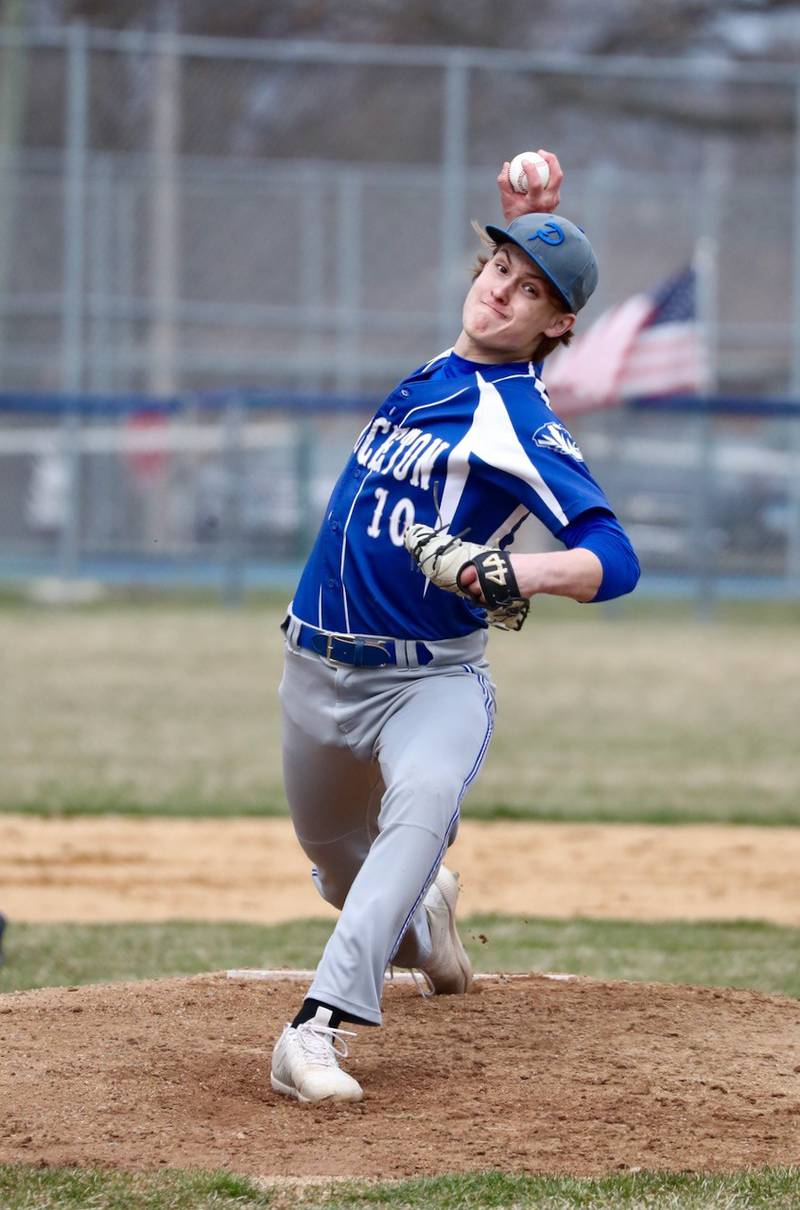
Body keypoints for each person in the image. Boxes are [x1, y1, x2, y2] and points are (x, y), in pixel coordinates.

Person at [270, 152, 640, 1105]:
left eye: (530, 294)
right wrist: (528, 224)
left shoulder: (518, 416)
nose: (501, 294)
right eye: (497, 271)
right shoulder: (444, 366)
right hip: (313, 670)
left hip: (428, 680)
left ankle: (315, 1033)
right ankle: (429, 927)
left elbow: (616, 557)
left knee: (417, 815)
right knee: (339, 868)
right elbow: (510, 275)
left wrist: (519, 569)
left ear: (558, 326)